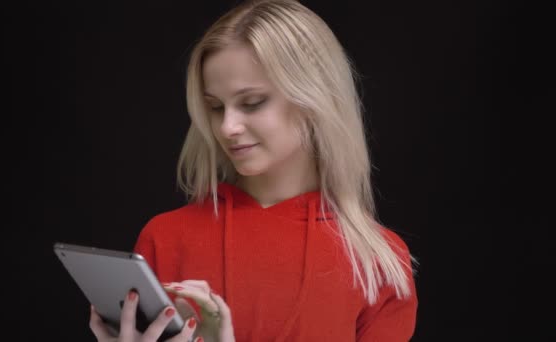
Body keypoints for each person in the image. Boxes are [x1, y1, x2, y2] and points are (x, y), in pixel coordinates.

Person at [89, 0, 418, 341]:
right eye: (215, 107)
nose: (227, 127)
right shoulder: (166, 239)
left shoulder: (377, 262)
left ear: (314, 100)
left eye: (252, 103)